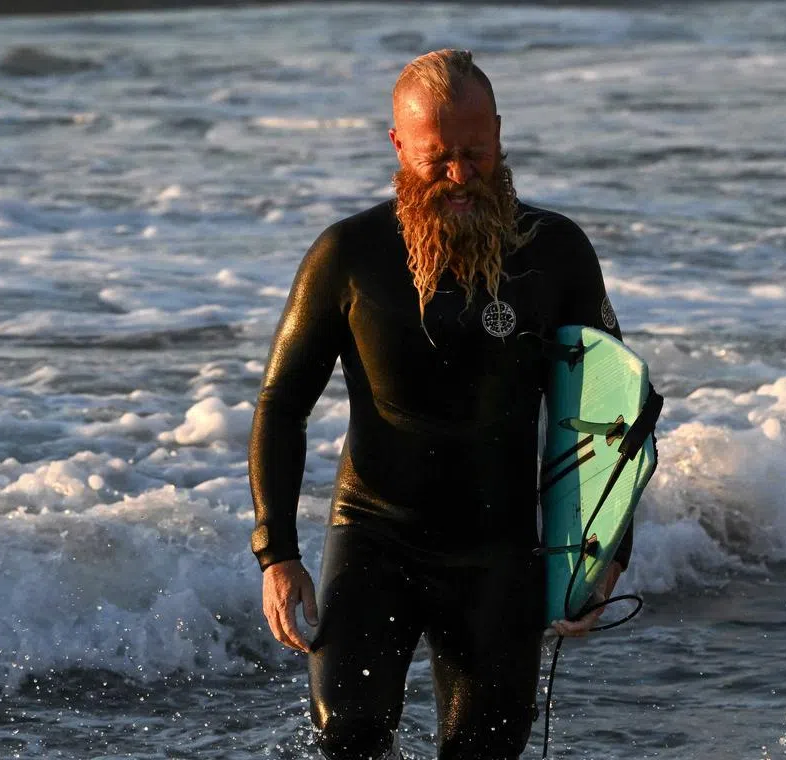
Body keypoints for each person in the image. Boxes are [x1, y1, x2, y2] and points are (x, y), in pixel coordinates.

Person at [249, 49, 632, 760]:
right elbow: (281, 403)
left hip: (499, 551)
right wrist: (277, 553)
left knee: (484, 749)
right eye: (437, 158)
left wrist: (604, 554)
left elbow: (613, 412)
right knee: (349, 734)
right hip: (374, 537)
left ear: (498, 132)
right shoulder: (350, 255)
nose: (460, 175)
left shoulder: (556, 253)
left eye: (476, 153)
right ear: (398, 144)